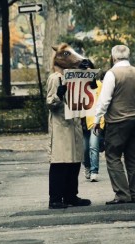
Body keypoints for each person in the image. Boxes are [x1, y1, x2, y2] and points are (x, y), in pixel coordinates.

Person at [93, 44, 135, 204]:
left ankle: (122, 194)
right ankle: (134, 194)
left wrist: (97, 120)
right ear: (128, 56)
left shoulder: (112, 74)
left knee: (113, 156)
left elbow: (104, 100)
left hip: (117, 121)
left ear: (113, 57)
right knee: (132, 157)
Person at [46, 44, 92, 209]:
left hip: (74, 122)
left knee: (74, 161)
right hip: (61, 125)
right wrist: (58, 95)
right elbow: (50, 102)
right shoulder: (55, 78)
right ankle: (56, 197)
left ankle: (71, 195)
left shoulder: (73, 76)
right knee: (60, 162)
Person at [82, 79, 105, 182]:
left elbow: (103, 102)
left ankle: (94, 171)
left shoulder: (99, 84)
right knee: (85, 148)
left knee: (93, 146)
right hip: (82, 121)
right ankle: (87, 166)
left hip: (94, 120)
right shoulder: (78, 85)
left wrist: (101, 120)